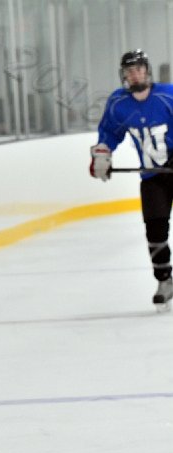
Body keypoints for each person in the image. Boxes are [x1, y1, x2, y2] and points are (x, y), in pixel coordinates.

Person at [90, 49, 173, 310]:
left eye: (138, 68)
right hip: (151, 175)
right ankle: (165, 281)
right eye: (129, 71)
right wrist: (103, 153)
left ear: (147, 70)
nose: (134, 74)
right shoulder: (118, 103)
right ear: (123, 75)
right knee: (155, 232)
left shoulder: (168, 95)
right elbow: (110, 132)